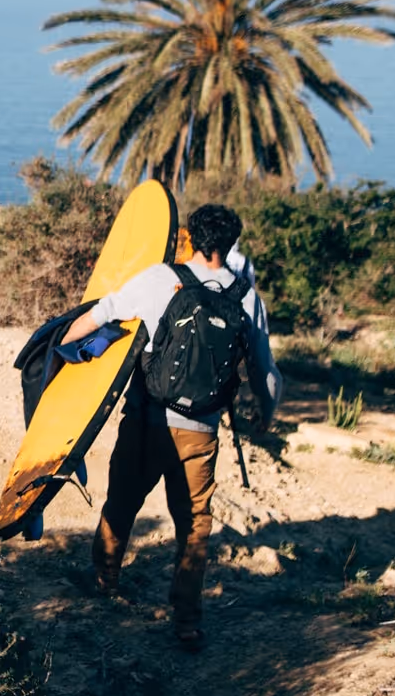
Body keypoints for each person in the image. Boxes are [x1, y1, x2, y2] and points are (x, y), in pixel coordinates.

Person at [55, 204, 280, 649]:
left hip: (148, 419)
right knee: (194, 524)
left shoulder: (161, 278)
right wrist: (268, 416)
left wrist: (62, 346)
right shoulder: (246, 297)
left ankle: (104, 580)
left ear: (191, 238)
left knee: (122, 502)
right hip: (201, 430)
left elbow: (101, 314)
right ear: (233, 244)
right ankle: (187, 621)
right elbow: (265, 373)